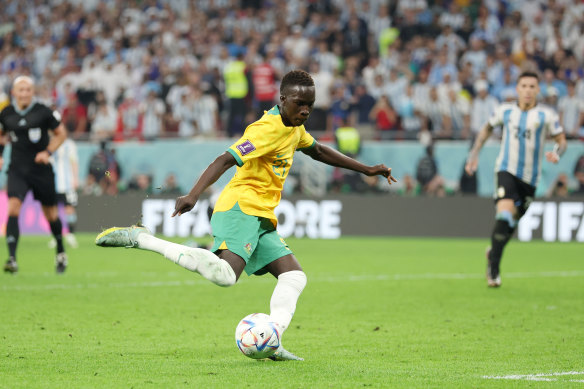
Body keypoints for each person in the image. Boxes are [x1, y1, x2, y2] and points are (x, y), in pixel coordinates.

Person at [95, 70, 397, 360]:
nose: (305, 111)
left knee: (293, 276)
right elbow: (225, 158)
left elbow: (317, 151)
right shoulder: (266, 129)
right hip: (240, 208)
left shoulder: (294, 127)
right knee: (226, 277)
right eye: (299, 104)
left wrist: (367, 168)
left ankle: (272, 340)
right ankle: (143, 239)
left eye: (310, 105)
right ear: (282, 99)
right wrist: (194, 194)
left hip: (262, 216)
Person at [465, 71, 567, 287]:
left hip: (530, 180)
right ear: (517, 89)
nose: (528, 90)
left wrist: (557, 152)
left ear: (538, 90)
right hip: (506, 170)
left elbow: (562, 140)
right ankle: (493, 269)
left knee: (509, 225)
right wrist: (474, 153)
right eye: (524, 86)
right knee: (503, 214)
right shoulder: (506, 110)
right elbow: (486, 128)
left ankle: (493, 251)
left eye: (532, 86)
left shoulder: (546, 115)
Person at [0, 76, 68, 274]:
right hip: (18, 169)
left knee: (51, 214)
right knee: (13, 207)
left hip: (41, 170)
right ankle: (12, 258)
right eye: (20, 90)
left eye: (27, 89)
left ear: (32, 92)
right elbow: (2, 135)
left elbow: (61, 134)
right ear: (14, 92)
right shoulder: (6, 113)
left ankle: (60, 251)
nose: (24, 93)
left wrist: (47, 153)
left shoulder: (43, 112)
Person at [49, 137, 79, 249]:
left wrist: (76, 178)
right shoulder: (50, 142)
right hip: (53, 182)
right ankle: (56, 236)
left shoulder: (69, 144)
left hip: (67, 183)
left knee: (69, 208)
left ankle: (70, 235)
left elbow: (74, 161)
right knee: (54, 210)